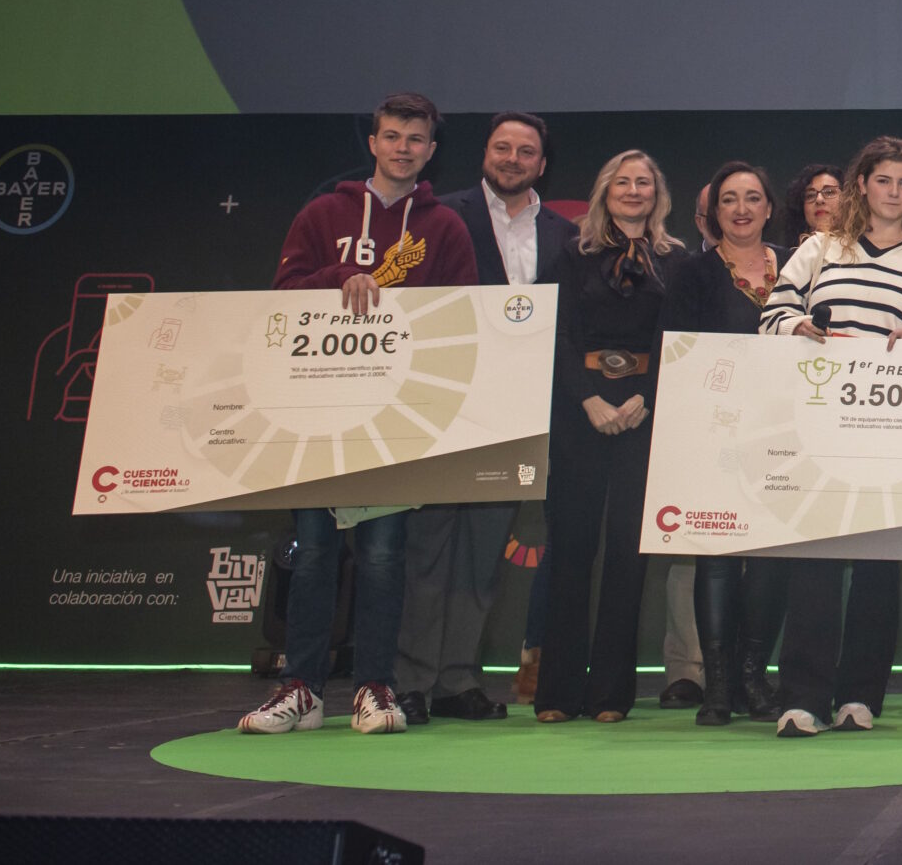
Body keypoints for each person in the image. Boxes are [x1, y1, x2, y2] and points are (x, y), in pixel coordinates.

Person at [241, 92, 476, 736]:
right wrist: (340, 275)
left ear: (431, 150)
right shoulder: (324, 213)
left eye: (416, 139)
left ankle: (375, 686)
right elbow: (282, 295)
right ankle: (303, 689)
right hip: (317, 411)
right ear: (372, 142)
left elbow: (463, 322)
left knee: (383, 554)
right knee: (314, 552)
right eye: (392, 135)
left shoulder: (445, 228)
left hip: (396, 419)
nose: (403, 147)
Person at [760, 136, 902, 736]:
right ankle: (801, 697)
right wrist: (797, 324)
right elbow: (772, 314)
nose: (894, 193)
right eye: (884, 181)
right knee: (817, 563)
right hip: (819, 425)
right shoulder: (820, 250)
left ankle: (860, 697)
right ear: (862, 185)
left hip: (892, 432)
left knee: (879, 568)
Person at [396, 111, 575, 725]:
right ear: (484, 155)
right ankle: (411, 680)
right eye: (503, 147)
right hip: (443, 401)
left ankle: (458, 679)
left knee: (481, 552)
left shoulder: (563, 234)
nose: (513, 158)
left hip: (517, 411)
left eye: (526, 151)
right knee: (428, 547)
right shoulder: (440, 216)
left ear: (542, 165)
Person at [533, 150, 692, 723]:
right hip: (581, 413)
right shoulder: (572, 256)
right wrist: (588, 398)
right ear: (605, 191)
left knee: (627, 554)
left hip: (646, 414)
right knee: (572, 549)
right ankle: (556, 692)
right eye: (622, 182)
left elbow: (678, 337)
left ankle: (611, 695)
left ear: (658, 194)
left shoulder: (676, 261)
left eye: (643, 182)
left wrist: (643, 397)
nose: (632, 191)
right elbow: (554, 333)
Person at [666, 162, 795, 725]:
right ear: (712, 212)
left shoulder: (798, 266)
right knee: (715, 558)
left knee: (771, 560)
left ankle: (753, 678)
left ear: (770, 208)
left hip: (785, 434)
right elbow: (677, 354)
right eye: (728, 200)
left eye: (753, 198)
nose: (741, 209)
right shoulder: (691, 274)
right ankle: (717, 686)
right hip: (713, 433)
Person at [787, 164, 843, 247]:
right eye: (810, 195)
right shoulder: (789, 258)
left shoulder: (863, 251)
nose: (819, 199)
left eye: (829, 192)